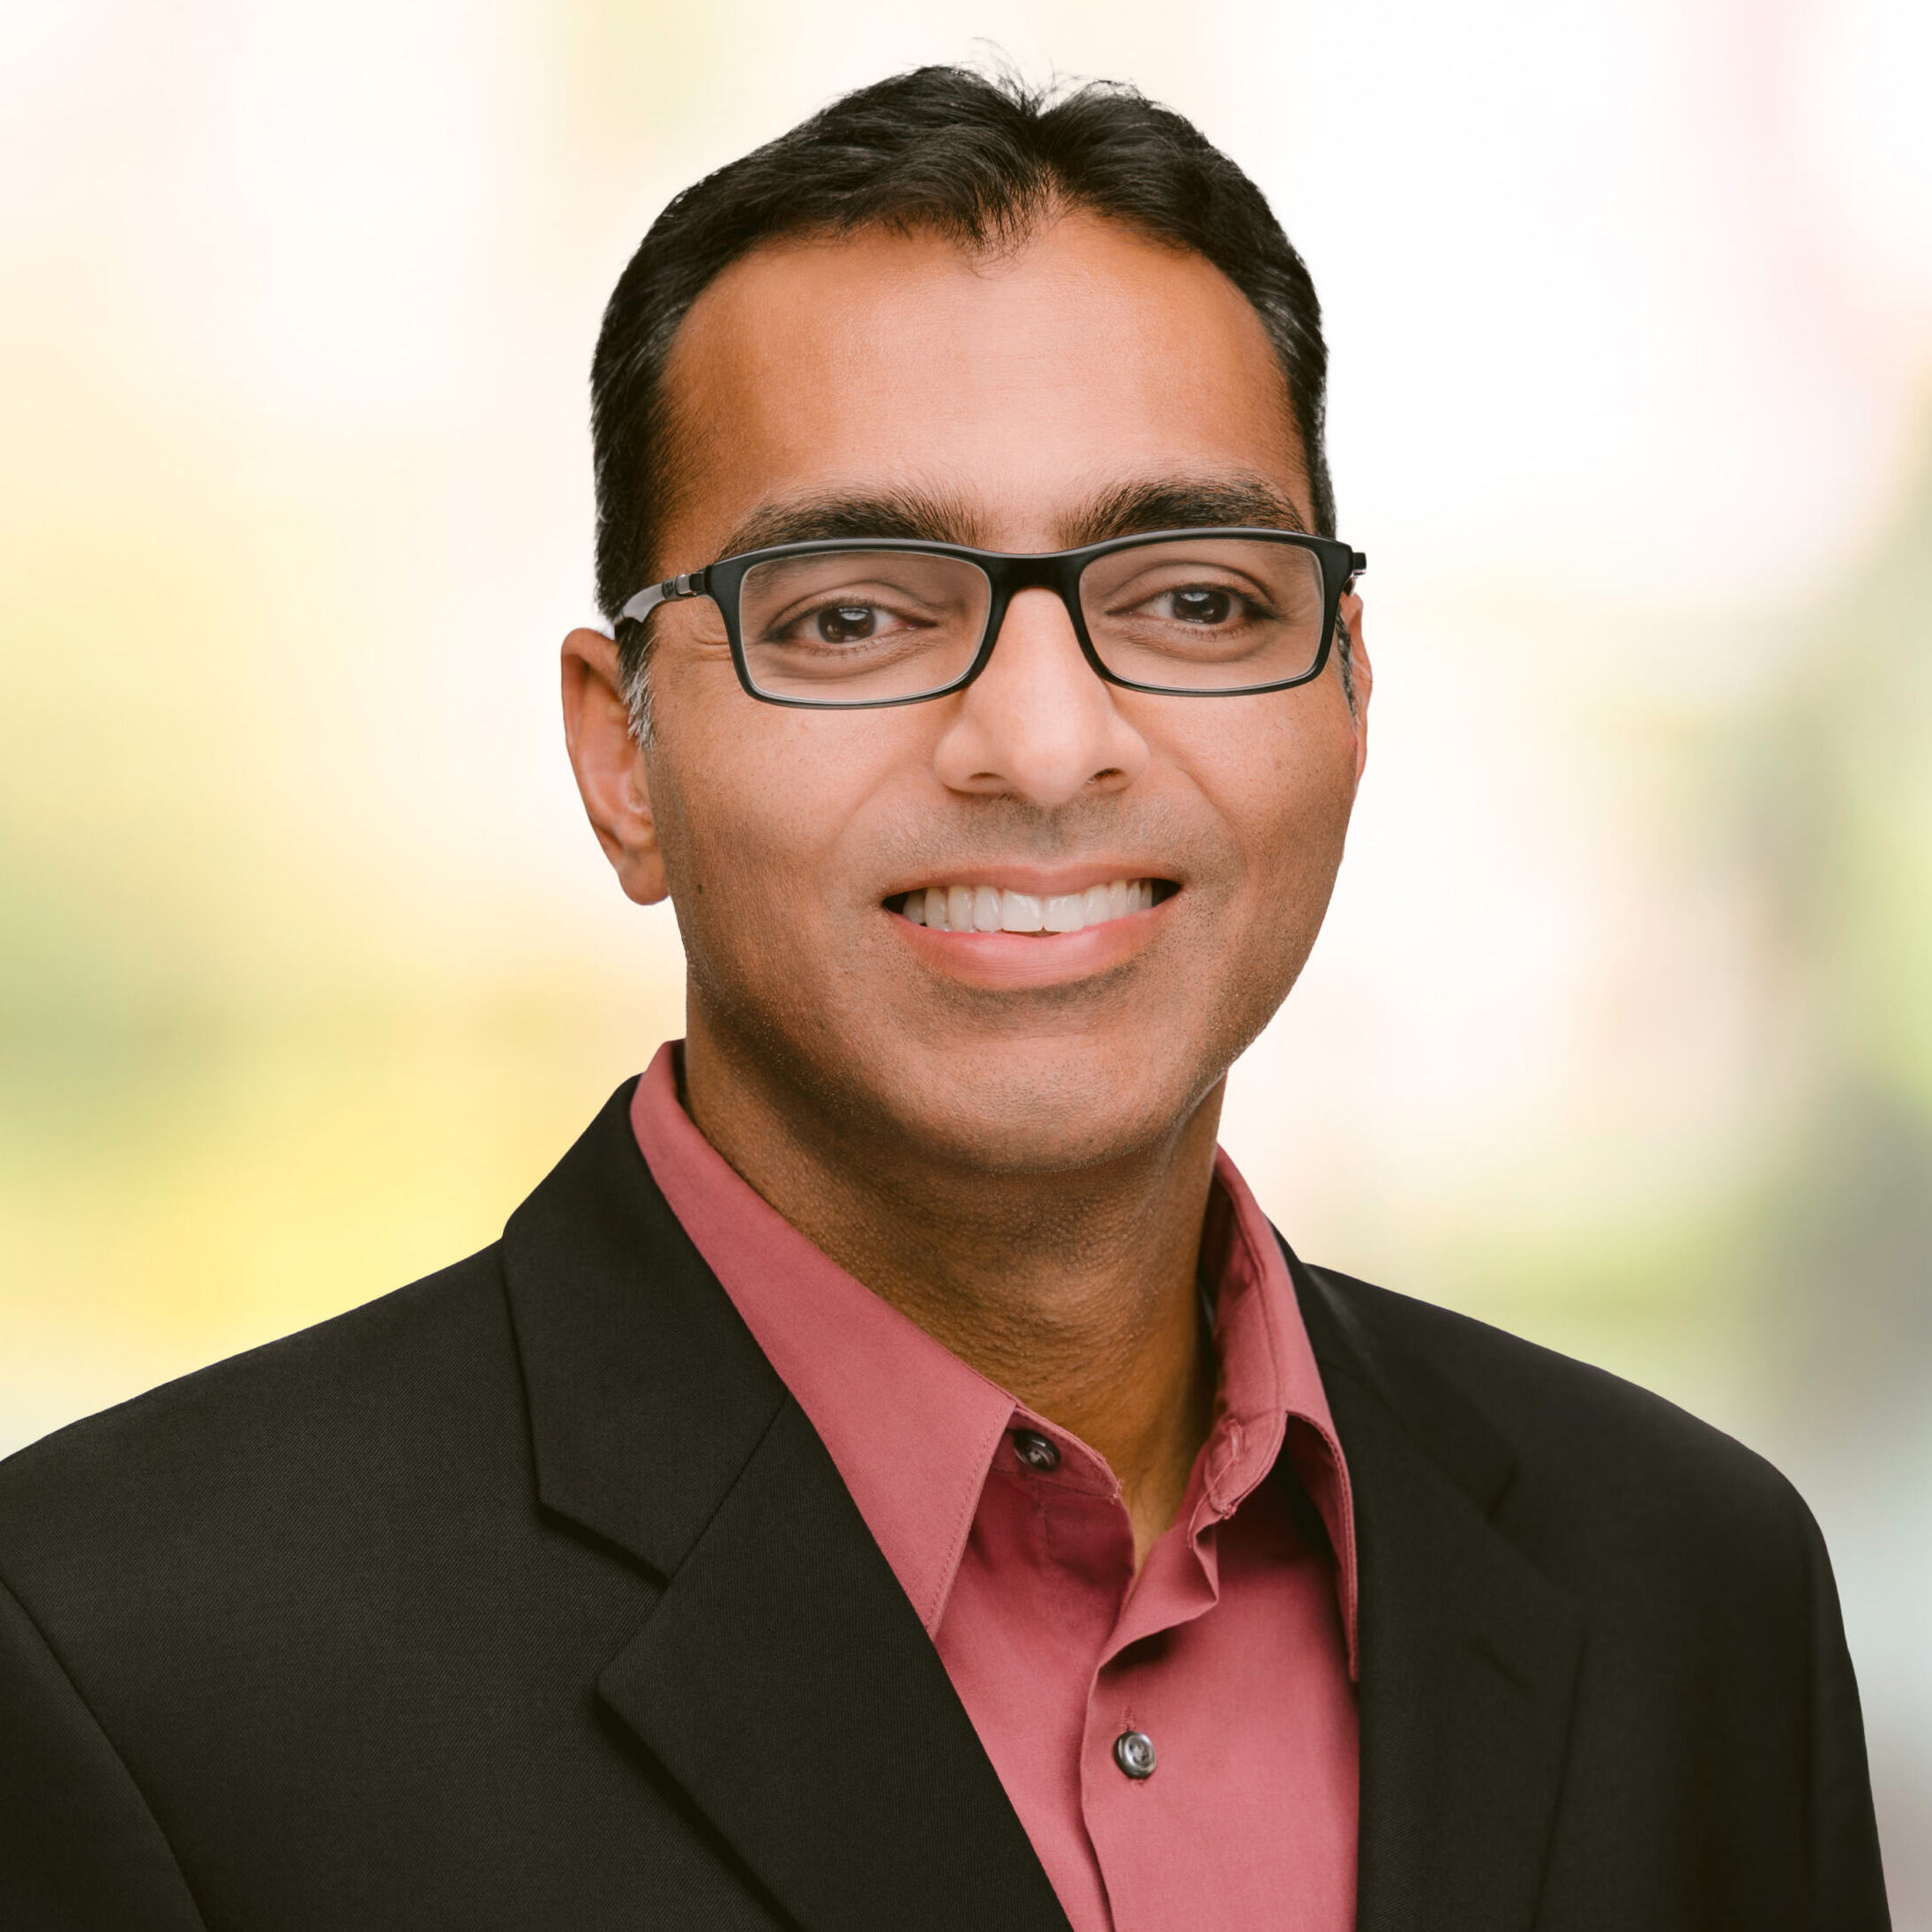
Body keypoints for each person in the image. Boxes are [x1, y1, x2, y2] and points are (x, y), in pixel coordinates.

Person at [0, 65, 1891, 1932]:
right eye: (853, 615)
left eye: (1195, 600)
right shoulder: (130, 1664)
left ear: (1348, 693)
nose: (1047, 745)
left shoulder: (1689, 1595)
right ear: (621, 758)